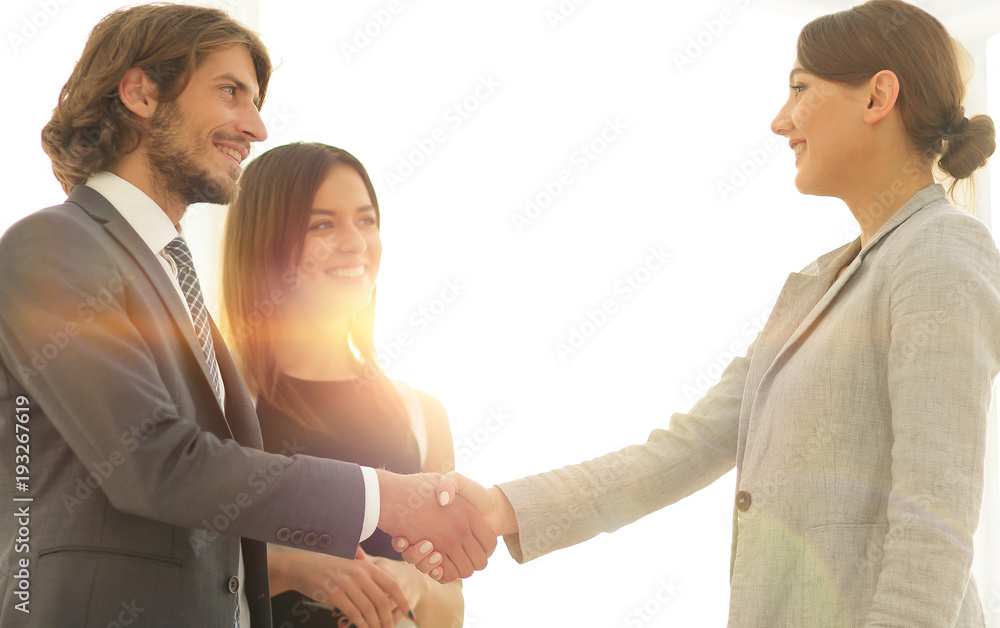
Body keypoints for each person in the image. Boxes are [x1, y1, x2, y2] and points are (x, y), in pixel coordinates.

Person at [399, 1, 1000, 625]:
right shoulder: (818, 286)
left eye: (800, 89)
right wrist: (502, 508)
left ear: (878, 97)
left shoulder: (942, 250)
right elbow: (682, 451)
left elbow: (937, 512)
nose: (779, 121)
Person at [0, 5, 493, 627]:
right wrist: (385, 497)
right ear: (140, 92)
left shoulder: (168, 276)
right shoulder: (55, 245)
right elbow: (154, 464)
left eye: (255, 100)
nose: (256, 126)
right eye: (230, 91)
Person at [221, 142, 464, 628]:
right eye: (323, 224)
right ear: (268, 242)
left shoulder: (422, 414)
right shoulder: (223, 405)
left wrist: (411, 582)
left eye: (366, 220)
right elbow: (185, 565)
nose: (355, 241)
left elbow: (451, 607)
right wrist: (296, 567)